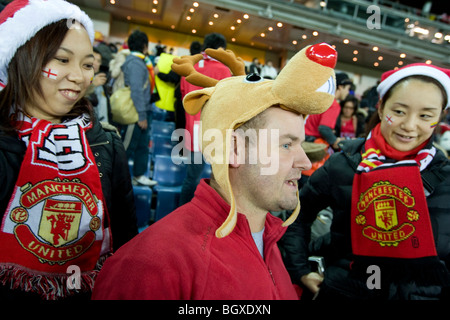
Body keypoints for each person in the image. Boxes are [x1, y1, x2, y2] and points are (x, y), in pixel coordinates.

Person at [91, 43, 338, 300]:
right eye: (286, 144)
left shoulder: (270, 237)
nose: (305, 162)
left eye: (300, 144)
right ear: (233, 149)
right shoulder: (149, 268)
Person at [0, 0, 137, 300]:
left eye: (87, 64)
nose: (78, 76)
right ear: (21, 58)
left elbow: (126, 244)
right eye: (62, 60)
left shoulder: (106, 144)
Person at [282, 63, 450, 300]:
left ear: (441, 117)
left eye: (426, 116)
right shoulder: (345, 163)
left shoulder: (445, 177)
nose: (410, 126)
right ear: (381, 108)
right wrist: (300, 271)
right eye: (399, 111)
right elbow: (296, 213)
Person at [178, 33, 231, 205]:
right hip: (214, 132)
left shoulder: (189, 67)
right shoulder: (224, 70)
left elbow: (184, 97)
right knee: (217, 182)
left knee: (190, 178)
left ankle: (182, 213)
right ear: (221, 50)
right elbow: (227, 103)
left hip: (192, 132)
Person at [121, 30, 157, 187]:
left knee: (142, 145)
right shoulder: (136, 63)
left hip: (143, 110)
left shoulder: (142, 62)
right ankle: (117, 179)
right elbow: (136, 90)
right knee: (128, 147)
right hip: (135, 112)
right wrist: (141, 115)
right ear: (144, 45)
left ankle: (138, 175)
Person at [304, 72, 353, 150]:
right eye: (348, 89)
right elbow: (324, 128)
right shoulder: (333, 104)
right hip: (313, 144)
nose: (348, 92)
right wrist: (335, 141)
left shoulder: (323, 99)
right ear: (340, 87)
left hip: (304, 139)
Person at [86, 47, 110, 123]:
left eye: (99, 61)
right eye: (93, 59)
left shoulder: (100, 79)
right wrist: (93, 85)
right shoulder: (80, 78)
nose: (96, 63)